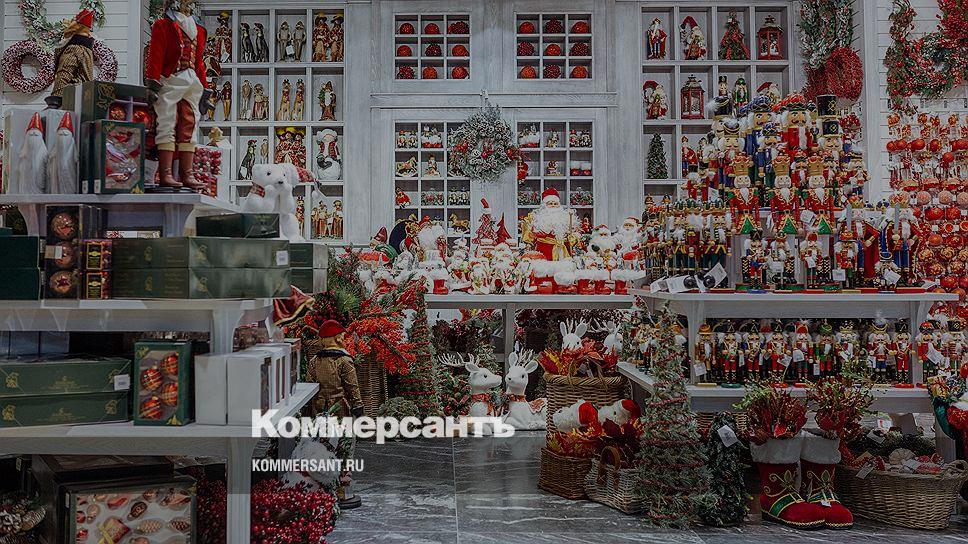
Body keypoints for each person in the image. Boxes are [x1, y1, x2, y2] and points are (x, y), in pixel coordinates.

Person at [305, 319, 364, 509]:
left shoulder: (314, 361)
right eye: (342, 335)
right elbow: (353, 388)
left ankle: (323, 486)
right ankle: (342, 489)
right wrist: (358, 407)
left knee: (323, 446)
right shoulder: (344, 361)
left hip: (319, 409)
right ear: (337, 338)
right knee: (344, 447)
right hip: (341, 410)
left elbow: (309, 386)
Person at [47, 9, 97, 108]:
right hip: (84, 99)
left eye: (73, 20)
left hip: (69, 100)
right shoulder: (87, 49)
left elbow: (64, 73)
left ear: (78, 26)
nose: (68, 22)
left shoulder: (74, 48)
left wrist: (55, 99)